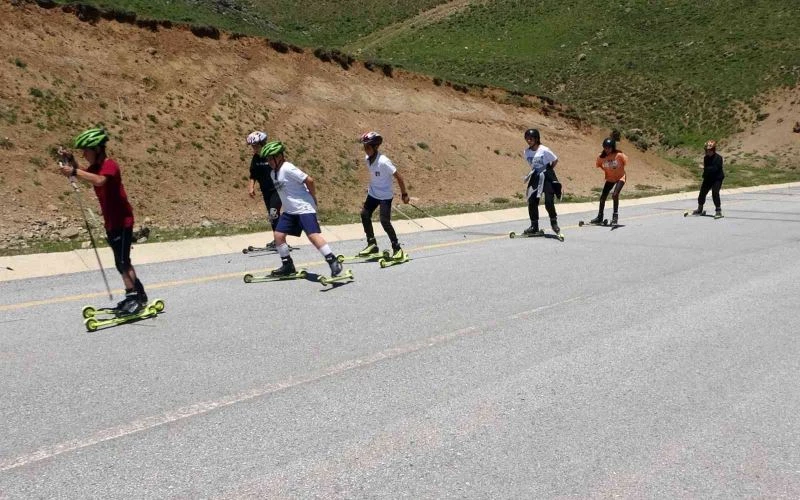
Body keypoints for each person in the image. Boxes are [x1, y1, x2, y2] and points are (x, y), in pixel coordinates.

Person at [58, 128, 148, 314]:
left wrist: (73, 170)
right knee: (120, 263)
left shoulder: (110, 165)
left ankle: (134, 298)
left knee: (123, 262)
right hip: (111, 222)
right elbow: (84, 173)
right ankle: (138, 295)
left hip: (123, 221)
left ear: (97, 149)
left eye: (86, 150)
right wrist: (71, 159)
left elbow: (99, 181)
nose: (84, 154)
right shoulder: (96, 168)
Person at [260, 141, 343, 277]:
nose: (269, 161)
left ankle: (333, 261)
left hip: (304, 208)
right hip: (290, 211)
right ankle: (288, 266)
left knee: (312, 236)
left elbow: (309, 180)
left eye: (271, 158)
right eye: (267, 159)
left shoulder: (287, 168)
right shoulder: (273, 173)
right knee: (278, 236)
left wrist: (313, 196)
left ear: (280, 156)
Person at [356, 131, 410, 259]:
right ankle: (372, 244)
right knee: (365, 214)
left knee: (384, 221)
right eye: (364, 147)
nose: (365, 150)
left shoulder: (384, 161)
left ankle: (397, 248)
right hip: (373, 193)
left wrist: (404, 194)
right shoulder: (367, 159)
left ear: (375, 147)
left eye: (368, 147)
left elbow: (399, 177)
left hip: (385, 195)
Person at [522, 128, 562, 235]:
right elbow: (532, 164)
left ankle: (554, 223)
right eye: (527, 139)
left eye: (531, 139)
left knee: (549, 201)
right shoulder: (526, 152)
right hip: (535, 176)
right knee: (532, 201)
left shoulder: (544, 150)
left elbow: (555, 160)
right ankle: (534, 226)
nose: (528, 141)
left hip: (547, 175)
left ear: (536, 139)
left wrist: (548, 170)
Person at [246, 131, 281, 250]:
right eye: (252, 146)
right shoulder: (256, 158)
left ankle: (280, 240)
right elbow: (253, 174)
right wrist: (251, 187)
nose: (253, 148)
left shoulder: (272, 156)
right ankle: (278, 239)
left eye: (255, 145)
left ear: (262, 144)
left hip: (277, 190)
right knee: (272, 217)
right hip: (266, 192)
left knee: (273, 214)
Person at [590, 137, 628, 225]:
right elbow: (599, 165)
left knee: (615, 195)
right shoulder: (600, 157)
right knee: (603, 197)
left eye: (609, 148)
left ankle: (615, 217)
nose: (607, 149)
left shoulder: (619, 155)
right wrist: (609, 171)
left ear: (613, 147)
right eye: (605, 147)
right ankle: (600, 217)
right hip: (610, 178)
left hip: (620, 177)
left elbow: (625, 163)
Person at [692, 140, 725, 218]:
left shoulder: (718, 158)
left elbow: (715, 169)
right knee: (702, 193)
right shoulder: (706, 158)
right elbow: (707, 169)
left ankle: (718, 211)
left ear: (713, 150)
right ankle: (700, 209)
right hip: (708, 178)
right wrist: (704, 175)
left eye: (709, 150)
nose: (707, 152)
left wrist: (704, 168)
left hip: (717, 178)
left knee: (715, 193)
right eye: (706, 150)